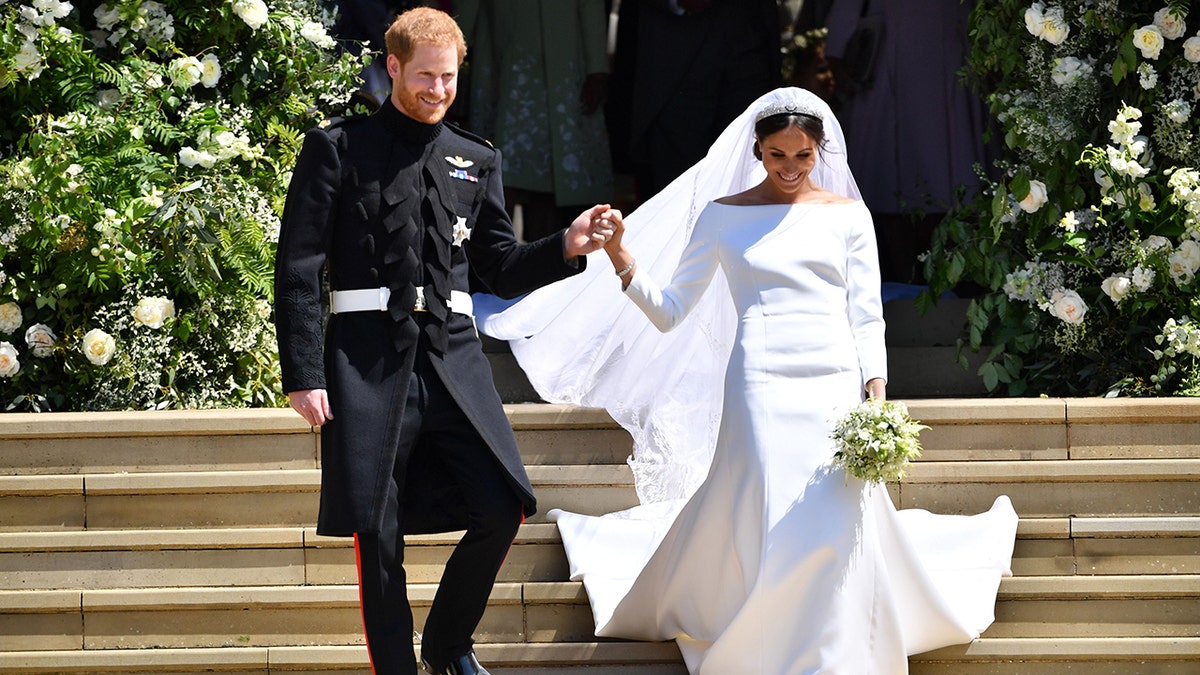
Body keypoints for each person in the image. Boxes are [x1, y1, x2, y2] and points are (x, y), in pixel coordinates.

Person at [478, 88, 1018, 673]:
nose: (790, 168)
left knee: (837, 505)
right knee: (765, 488)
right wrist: (621, 257)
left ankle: (835, 637)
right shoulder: (723, 216)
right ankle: (768, 631)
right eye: (778, 155)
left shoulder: (849, 216)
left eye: (803, 156)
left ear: (821, 152)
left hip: (834, 376)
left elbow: (866, 312)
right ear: (757, 149)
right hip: (757, 376)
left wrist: (877, 389)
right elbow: (671, 310)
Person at [272, 8, 615, 675]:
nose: (437, 89)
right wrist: (303, 371)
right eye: (425, 75)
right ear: (394, 66)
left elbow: (500, 265)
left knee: (502, 503)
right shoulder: (337, 148)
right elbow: (299, 267)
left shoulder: (474, 157)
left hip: (454, 358)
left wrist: (564, 247)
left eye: (448, 76)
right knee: (379, 530)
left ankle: (449, 644)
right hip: (365, 359)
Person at [454, 0, 614, 241]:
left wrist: (597, 69)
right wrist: (448, 49)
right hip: (505, 61)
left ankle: (545, 267)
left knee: (549, 186)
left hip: (565, 63)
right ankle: (492, 263)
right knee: (495, 177)